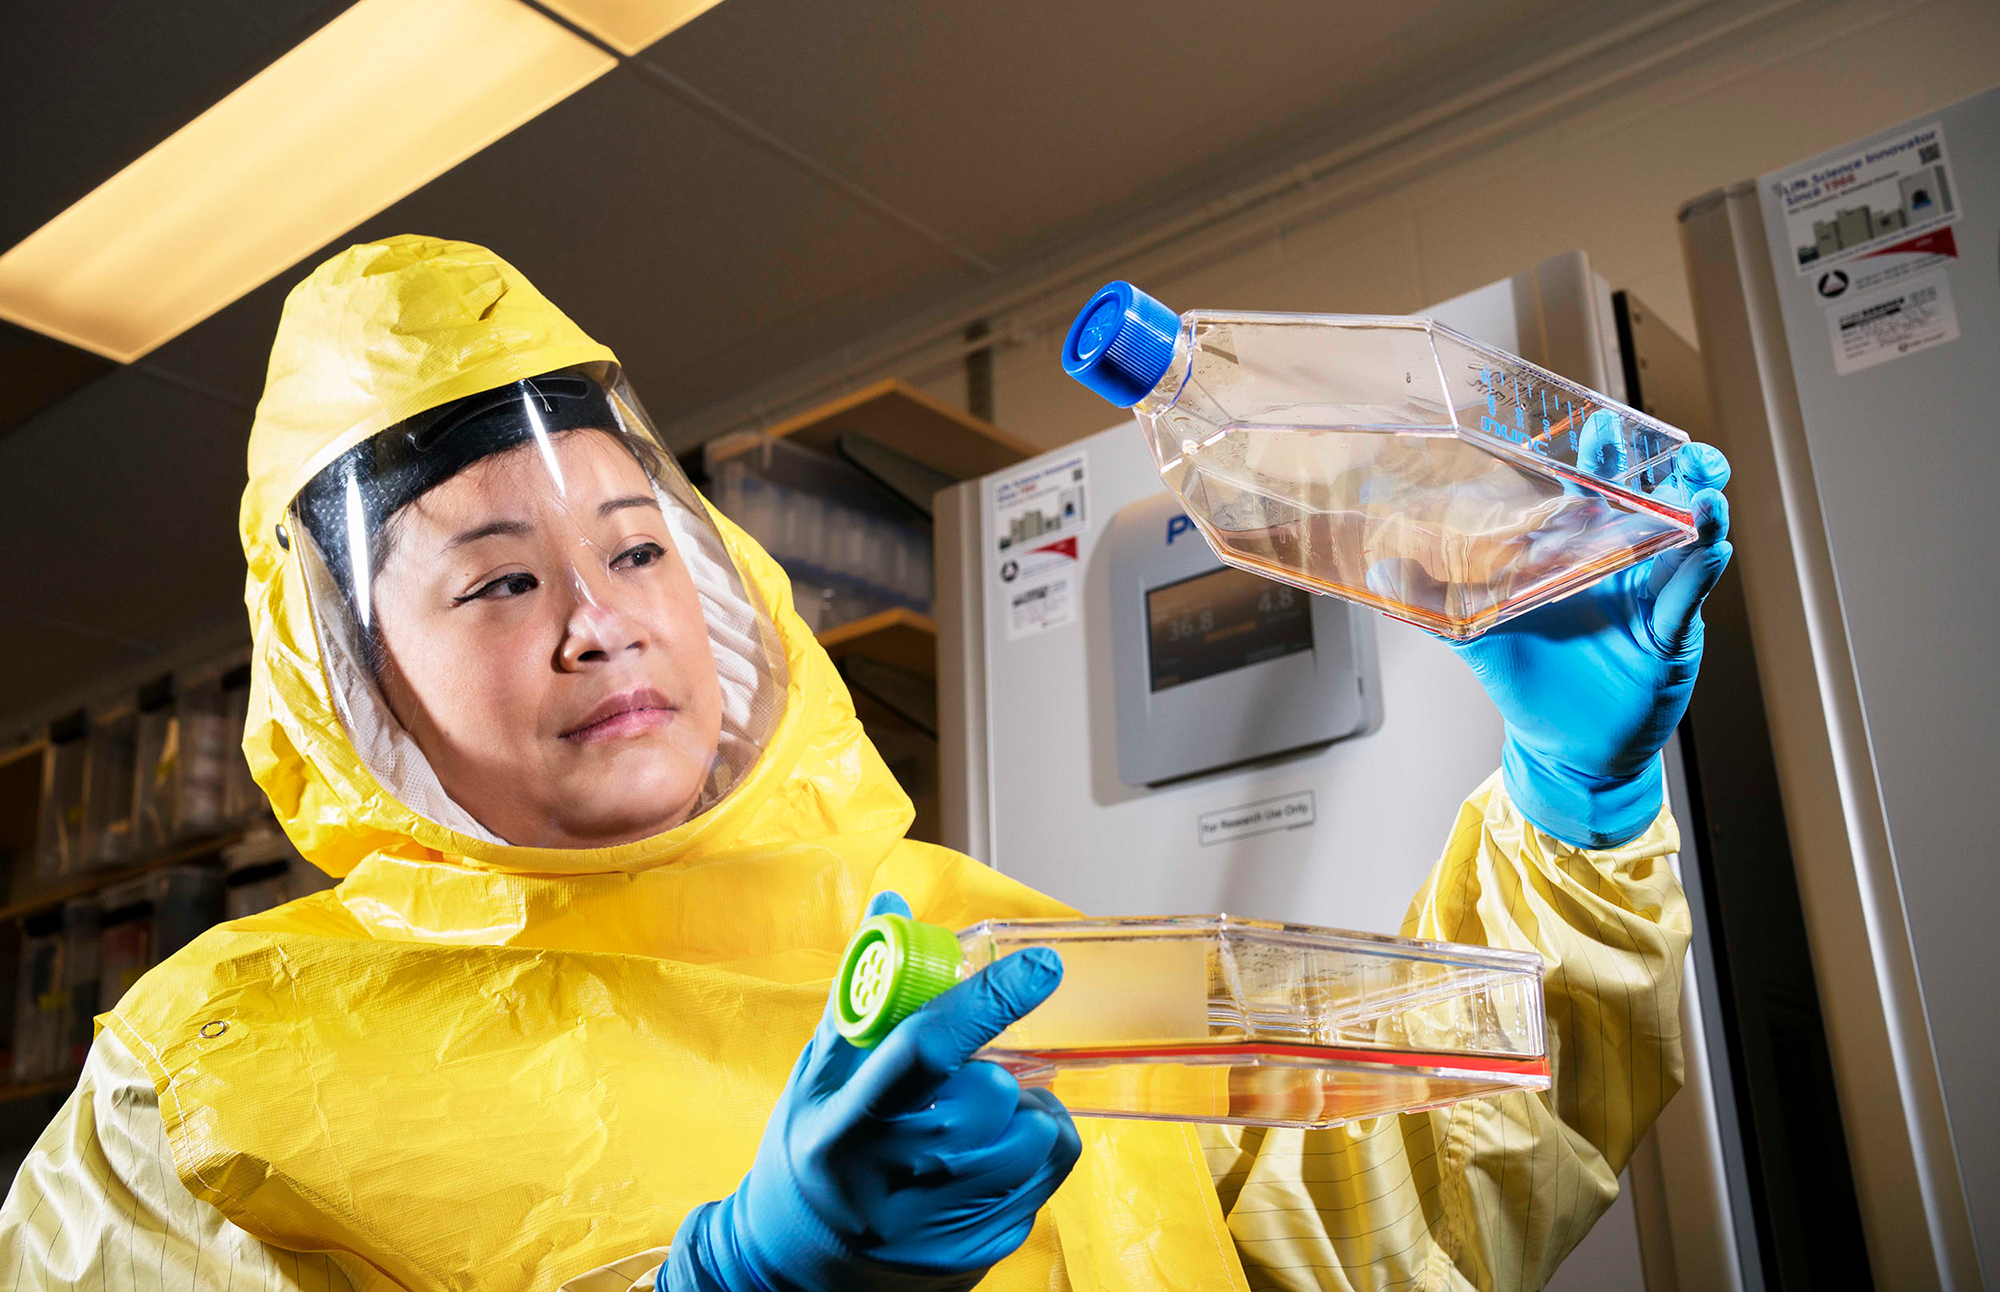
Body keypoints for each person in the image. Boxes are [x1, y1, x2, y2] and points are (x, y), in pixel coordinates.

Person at [0, 236, 1732, 1292]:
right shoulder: (207, 1089)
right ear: (349, 680)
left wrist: (1578, 808)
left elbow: (1360, 1236)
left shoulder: (966, 941)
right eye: (498, 579)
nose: (599, 622)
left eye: (634, 546)